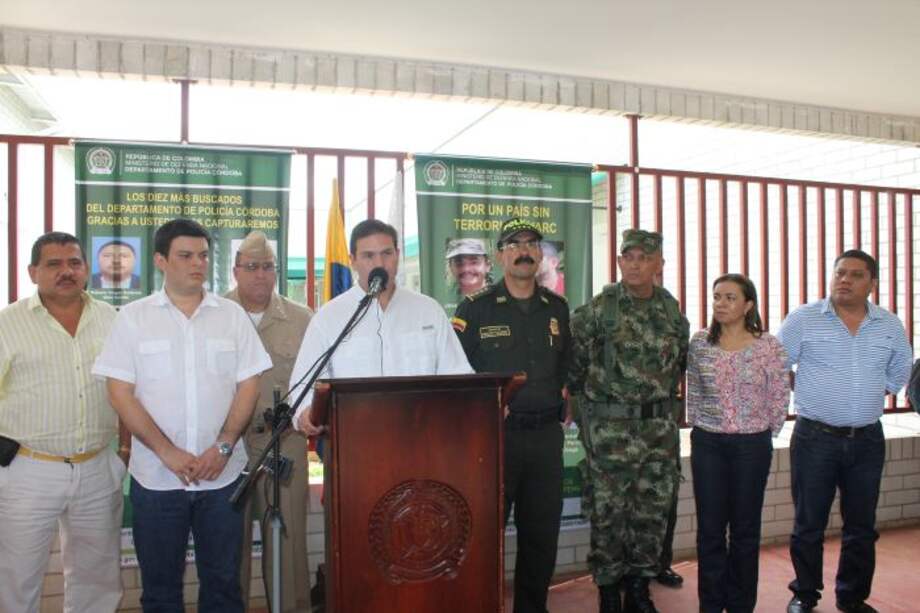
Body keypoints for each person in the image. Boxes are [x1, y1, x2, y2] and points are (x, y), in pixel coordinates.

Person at [93, 218, 272, 613]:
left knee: (224, 585)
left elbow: (249, 385)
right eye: (186, 256)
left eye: (204, 256)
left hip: (222, 478)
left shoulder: (231, 316)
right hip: (157, 480)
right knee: (160, 591)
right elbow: (119, 392)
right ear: (160, 260)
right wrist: (166, 452)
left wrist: (223, 445)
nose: (198, 264)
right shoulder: (133, 319)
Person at [777, 249, 912, 613]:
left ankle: (851, 597)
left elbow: (900, 372)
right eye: (839, 273)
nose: (844, 280)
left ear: (872, 283)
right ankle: (805, 594)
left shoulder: (889, 325)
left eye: (855, 275)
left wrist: (863, 391)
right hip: (814, 438)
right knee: (809, 523)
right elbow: (776, 364)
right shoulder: (804, 319)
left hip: (867, 440)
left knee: (862, 526)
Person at [0, 232, 123, 613]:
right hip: (28, 470)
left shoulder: (112, 319)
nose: (66, 272)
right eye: (54, 264)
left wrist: (126, 452)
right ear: (33, 271)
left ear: (86, 270)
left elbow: (131, 388)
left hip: (98, 466)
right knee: (17, 578)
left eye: (74, 263)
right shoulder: (7, 324)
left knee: (98, 578)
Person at [452, 218, 571, 613]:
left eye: (532, 244)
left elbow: (566, 369)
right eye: (514, 244)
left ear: (540, 254)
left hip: (544, 441)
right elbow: (455, 372)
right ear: (500, 255)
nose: (524, 250)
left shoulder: (556, 308)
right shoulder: (475, 308)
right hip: (495, 440)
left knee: (542, 535)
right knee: (486, 534)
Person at [568, 228, 689, 613]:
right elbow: (576, 368)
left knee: (651, 513)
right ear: (620, 261)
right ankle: (607, 588)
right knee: (608, 513)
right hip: (610, 432)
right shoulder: (599, 310)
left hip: (658, 431)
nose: (635, 263)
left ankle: (639, 586)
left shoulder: (671, 310)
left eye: (644, 257)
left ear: (659, 264)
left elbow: (679, 365)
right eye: (628, 256)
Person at [293, 219, 472, 433]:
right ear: (353, 261)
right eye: (368, 256)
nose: (379, 263)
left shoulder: (429, 311)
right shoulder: (329, 317)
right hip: (353, 440)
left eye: (387, 253)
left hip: (423, 437)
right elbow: (303, 386)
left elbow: (459, 375)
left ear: (397, 255)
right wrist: (305, 413)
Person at [686, 273, 790, 613]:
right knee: (711, 530)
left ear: (748, 305)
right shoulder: (700, 343)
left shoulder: (768, 346)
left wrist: (764, 432)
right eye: (717, 296)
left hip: (751, 446)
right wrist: (704, 427)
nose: (720, 303)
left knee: (745, 531)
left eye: (730, 297)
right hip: (709, 445)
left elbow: (779, 395)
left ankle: (741, 603)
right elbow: (695, 392)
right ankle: (711, 604)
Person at [225, 231, 314, 613]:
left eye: (267, 267)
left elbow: (319, 381)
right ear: (236, 271)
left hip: (284, 439)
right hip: (229, 444)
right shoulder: (215, 314)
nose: (260, 275)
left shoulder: (302, 319)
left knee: (287, 542)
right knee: (230, 543)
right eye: (252, 267)